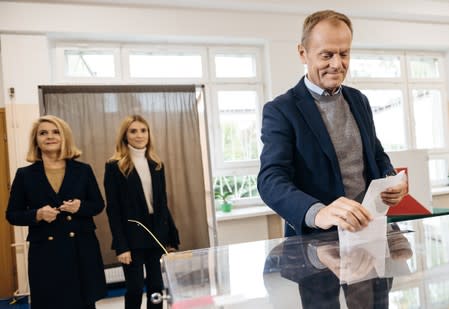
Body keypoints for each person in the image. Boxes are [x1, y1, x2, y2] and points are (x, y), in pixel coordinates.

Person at [257, 10, 408, 237]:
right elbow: (270, 180)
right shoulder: (281, 110)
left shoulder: (359, 100)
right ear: (303, 53)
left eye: (344, 54)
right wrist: (318, 213)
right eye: (326, 55)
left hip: (371, 233)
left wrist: (390, 180)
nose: (337, 65)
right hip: (317, 245)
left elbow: (376, 154)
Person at [5, 115, 107, 309]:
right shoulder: (24, 174)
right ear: (36, 139)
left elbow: (98, 205)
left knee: (83, 304)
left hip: (80, 249)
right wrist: (37, 214)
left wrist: (80, 207)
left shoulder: (83, 170)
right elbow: (12, 214)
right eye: (43, 133)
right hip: (46, 253)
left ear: (64, 137)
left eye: (55, 132)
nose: (49, 136)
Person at [104, 115, 180, 309]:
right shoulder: (114, 166)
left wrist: (171, 239)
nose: (139, 135)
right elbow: (113, 209)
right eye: (133, 131)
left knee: (157, 287)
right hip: (132, 237)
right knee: (135, 288)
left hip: (156, 233)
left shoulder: (156, 164)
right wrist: (121, 246)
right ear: (125, 136)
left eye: (143, 130)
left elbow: (163, 204)